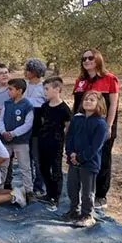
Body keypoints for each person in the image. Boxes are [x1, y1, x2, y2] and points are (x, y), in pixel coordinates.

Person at [72, 49, 120, 210]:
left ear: (98, 59)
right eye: (84, 58)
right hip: (83, 125)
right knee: (84, 155)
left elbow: (113, 104)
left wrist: (109, 125)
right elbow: (77, 105)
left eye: (90, 58)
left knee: (103, 158)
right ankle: (85, 191)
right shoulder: (80, 80)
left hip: (102, 126)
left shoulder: (110, 79)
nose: (86, 61)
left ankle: (100, 195)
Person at [65, 90, 108, 227]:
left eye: (92, 100)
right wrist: (70, 153)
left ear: (99, 104)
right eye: (86, 99)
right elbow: (70, 136)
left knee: (87, 192)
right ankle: (73, 210)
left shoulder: (101, 124)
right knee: (72, 187)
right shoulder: (77, 119)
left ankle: (87, 215)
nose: (87, 101)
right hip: (73, 161)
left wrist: (81, 157)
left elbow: (96, 146)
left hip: (89, 163)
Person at [37, 77, 73, 211]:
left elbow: (68, 126)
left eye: (47, 89)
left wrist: (60, 137)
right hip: (43, 142)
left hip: (56, 144)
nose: (44, 92)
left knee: (56, 171)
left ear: (57, 89)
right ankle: (48, 193)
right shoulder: (44, 106)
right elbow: (42, 121)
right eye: (44, 89)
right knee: (43, 168)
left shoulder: (64, 109)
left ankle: (55, 198)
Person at [0, 78, 34, 202]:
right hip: (5, 141)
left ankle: (29, 191)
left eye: (11, 89)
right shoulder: (6, 103)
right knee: (3, 165)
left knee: (25, 167)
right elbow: (1, 119)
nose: (8, 91)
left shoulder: (27, 105)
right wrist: (3, 131)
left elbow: (28, 124)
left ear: (19, 91)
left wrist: (13, 133)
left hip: (21, 141)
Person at [24, 58, 47, 196]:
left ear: (34, 72)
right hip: (24, 126)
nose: (25, 72)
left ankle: (40, 186)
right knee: (26, 158)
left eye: (28, 69)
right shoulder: (24, 85)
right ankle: (29, 184)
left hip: (38, 126)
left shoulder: (44, 87)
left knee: (37, 157)